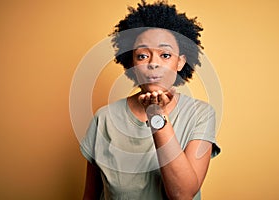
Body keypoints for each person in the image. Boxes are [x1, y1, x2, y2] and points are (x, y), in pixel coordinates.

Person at [80, 0, 220, 199]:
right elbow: (90, 196)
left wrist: (156, 114)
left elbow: (182, 195)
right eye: (143, 55)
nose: (154, 64)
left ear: (180, 62)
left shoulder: (201, 115)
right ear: (131, 62)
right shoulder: (104, 118)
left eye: (165, 54)